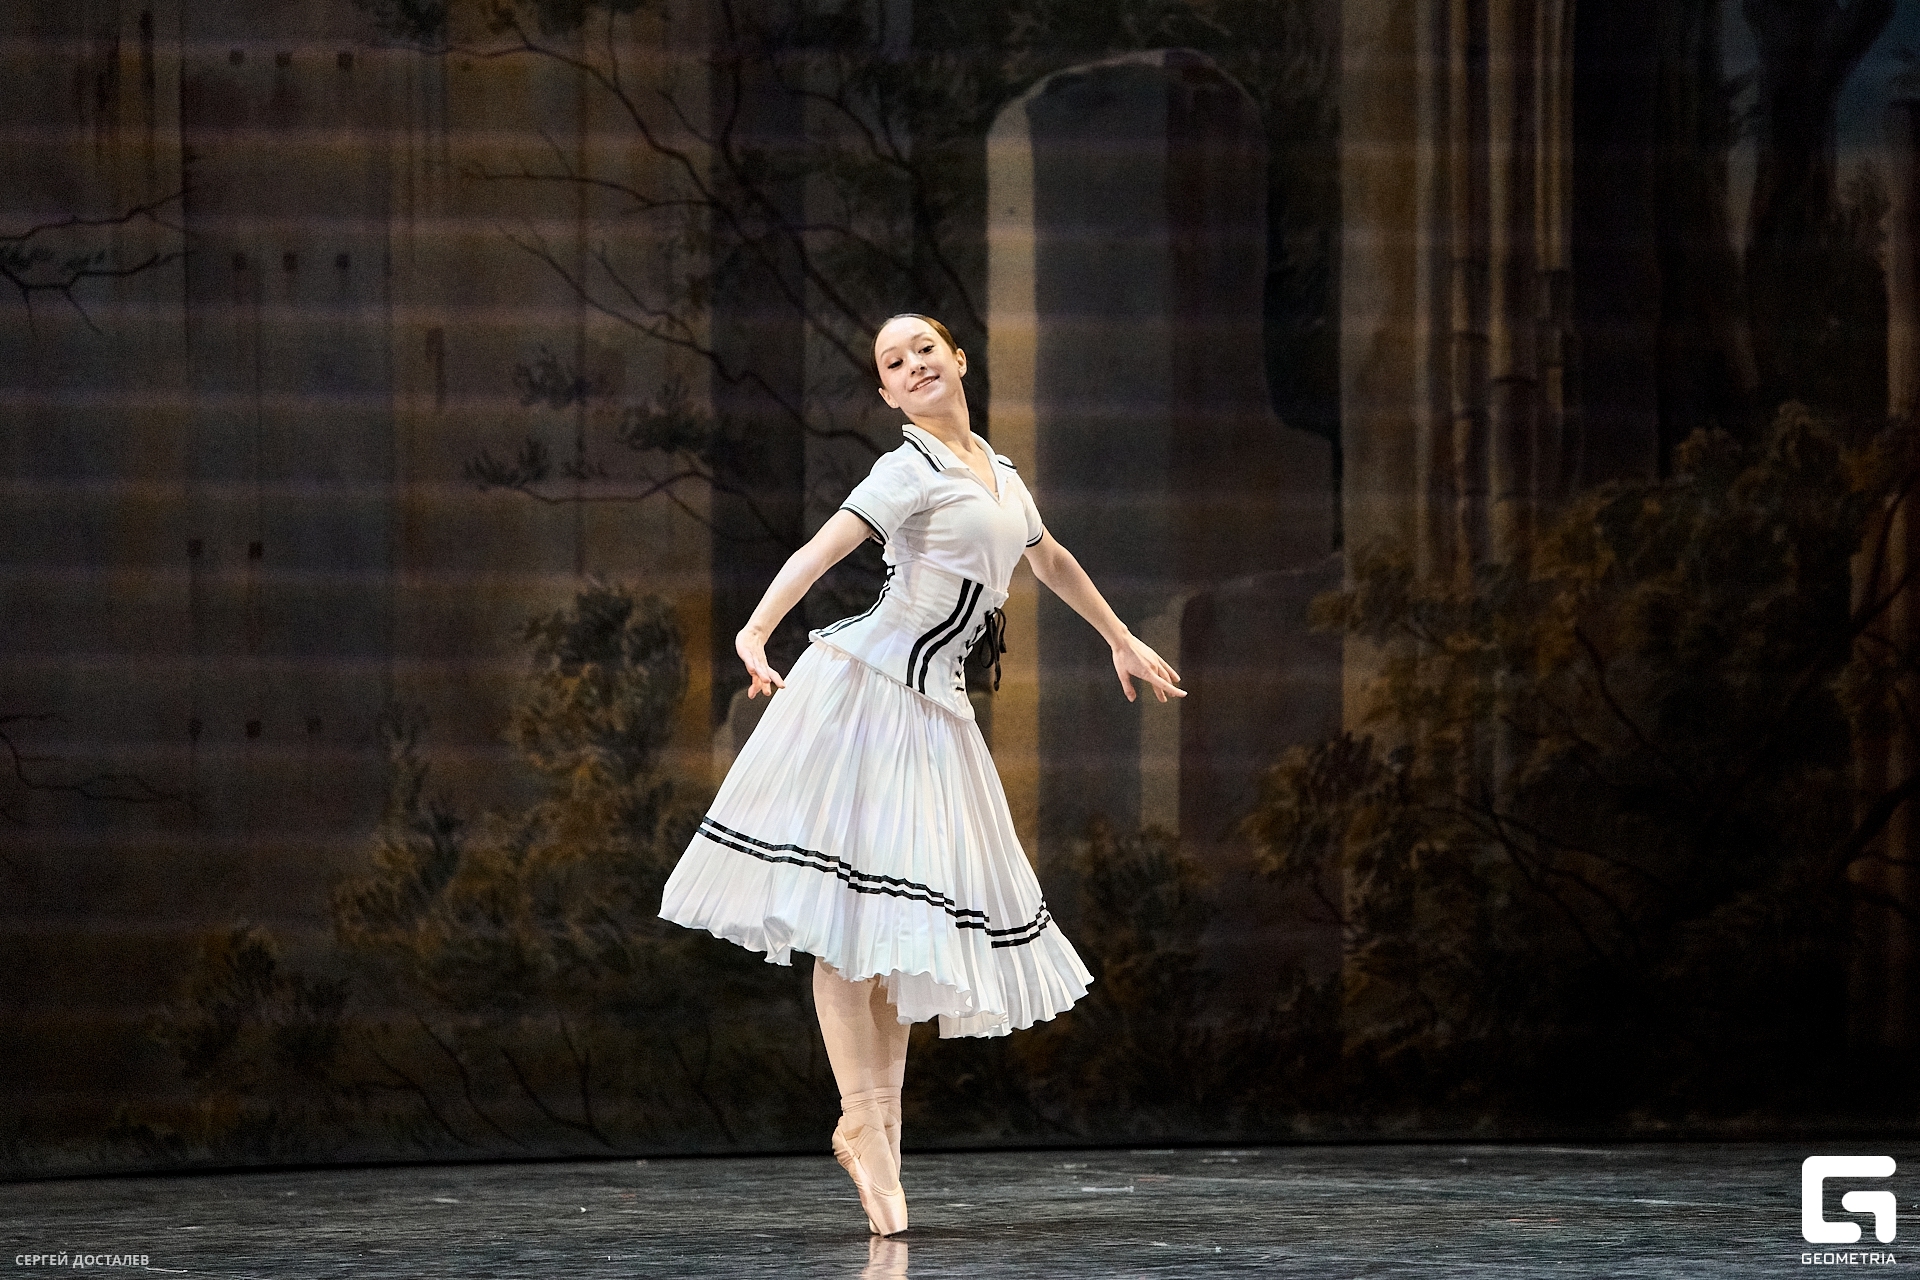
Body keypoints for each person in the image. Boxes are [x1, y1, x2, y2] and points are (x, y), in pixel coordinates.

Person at [659, 313, 1183, 1236]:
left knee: (898, 934)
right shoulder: (909, 468)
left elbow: (1049, 558)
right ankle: (862, 1122)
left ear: (959, 359)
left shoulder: (999, 473)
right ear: (888, 394)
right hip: (867, 693)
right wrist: (755, 628)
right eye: (894, 363)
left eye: (925, 350)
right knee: (844, 922)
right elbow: (825, 548)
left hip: (935, 714)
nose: (913, 366)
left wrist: (1121, 638)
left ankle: (881, 1138)